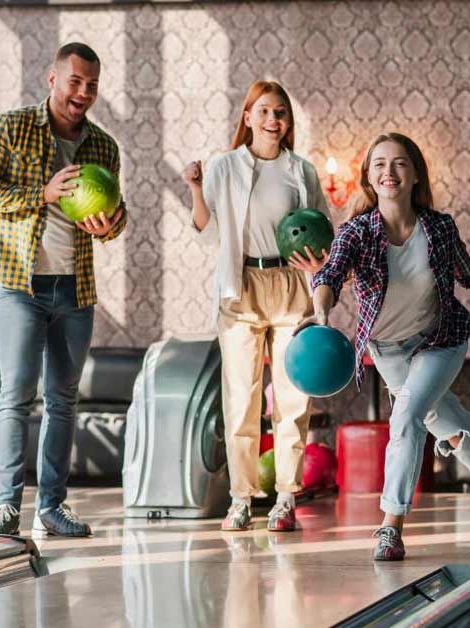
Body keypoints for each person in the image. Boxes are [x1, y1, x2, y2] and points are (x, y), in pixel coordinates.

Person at [306, 132, 470, 561]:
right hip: (389, 353)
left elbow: (466, 270)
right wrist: (322, 313)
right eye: (379, 164)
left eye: (399, 163)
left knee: (406, 416)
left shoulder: (438, 227)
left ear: (415, 174)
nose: (389, 171)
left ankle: (389, 527)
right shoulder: (357, 232)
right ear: (368, 177)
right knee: (455, 430)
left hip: (440, 340)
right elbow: (329, 276)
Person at [0, 42, 128, 537]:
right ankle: (6, 506)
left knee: (63, 399)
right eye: (75, 81)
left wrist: (109, 226)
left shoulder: (104, 147)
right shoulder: (11, 127)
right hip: (18, 283)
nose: (83, 93)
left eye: (92, 86)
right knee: (16, 394)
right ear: (52, 78)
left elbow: (117, 218)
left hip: (74, 288)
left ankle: (52, 507)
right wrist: (42, 194)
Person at [182, 80, 332, 532]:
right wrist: (194, 186)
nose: (273, 120)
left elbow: (321, 229)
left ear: (288, 123)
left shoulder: (300, 171)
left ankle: (286, 495)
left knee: (292, 397)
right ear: (247, 118)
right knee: (241, 399)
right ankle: (242, 498)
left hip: (288, 284)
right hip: (240, 286)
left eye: (280, 113)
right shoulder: (224, 167)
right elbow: (206, 228)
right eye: (264, 111)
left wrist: (319, 266)